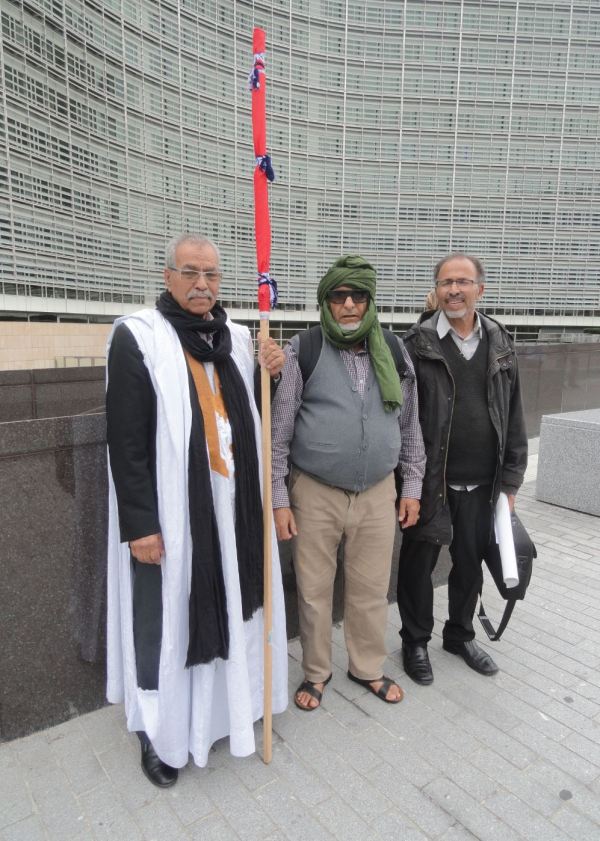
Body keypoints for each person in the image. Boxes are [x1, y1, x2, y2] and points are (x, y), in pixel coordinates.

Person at [105, 234, 288, 787]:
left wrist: (272, 374)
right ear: (167, 277)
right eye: (190, 273)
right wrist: (140, 526)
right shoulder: (137, 336)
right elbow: (127, 441)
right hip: (173, 516)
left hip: (234, 512)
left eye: (211, 274)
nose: (202, 284)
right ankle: (158, 734)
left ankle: (226, 712)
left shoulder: (235, 337)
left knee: (237, 607)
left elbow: (252, 421)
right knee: (164, 623)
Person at [271, 255, 425, 710]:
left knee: (372, 589)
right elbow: (279, 433)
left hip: (378, 491)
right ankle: (316, 673)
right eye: (339, 296)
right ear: (327, 302)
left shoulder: (395, 351)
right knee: (315, 590)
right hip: (315, 491)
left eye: (358, 296)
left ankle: (367, 667)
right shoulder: (305, 348)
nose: (350, 304)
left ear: (370, 301)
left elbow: (411, 425)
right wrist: (279, 498)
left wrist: (412, 486)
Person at [397, 253, 527, 684]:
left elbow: (514, 417)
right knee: (419, 566)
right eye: (446, 282)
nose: (454, 289)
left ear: (480, 290)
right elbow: (402, 418)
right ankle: (415, 640)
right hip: (430, 481)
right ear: (435, 291)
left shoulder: (501, 342)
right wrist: (408, 483)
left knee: (470, 565)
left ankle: (460, 634)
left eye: (463, 282)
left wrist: (510, 480)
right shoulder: (415, 344)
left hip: (484, 483)